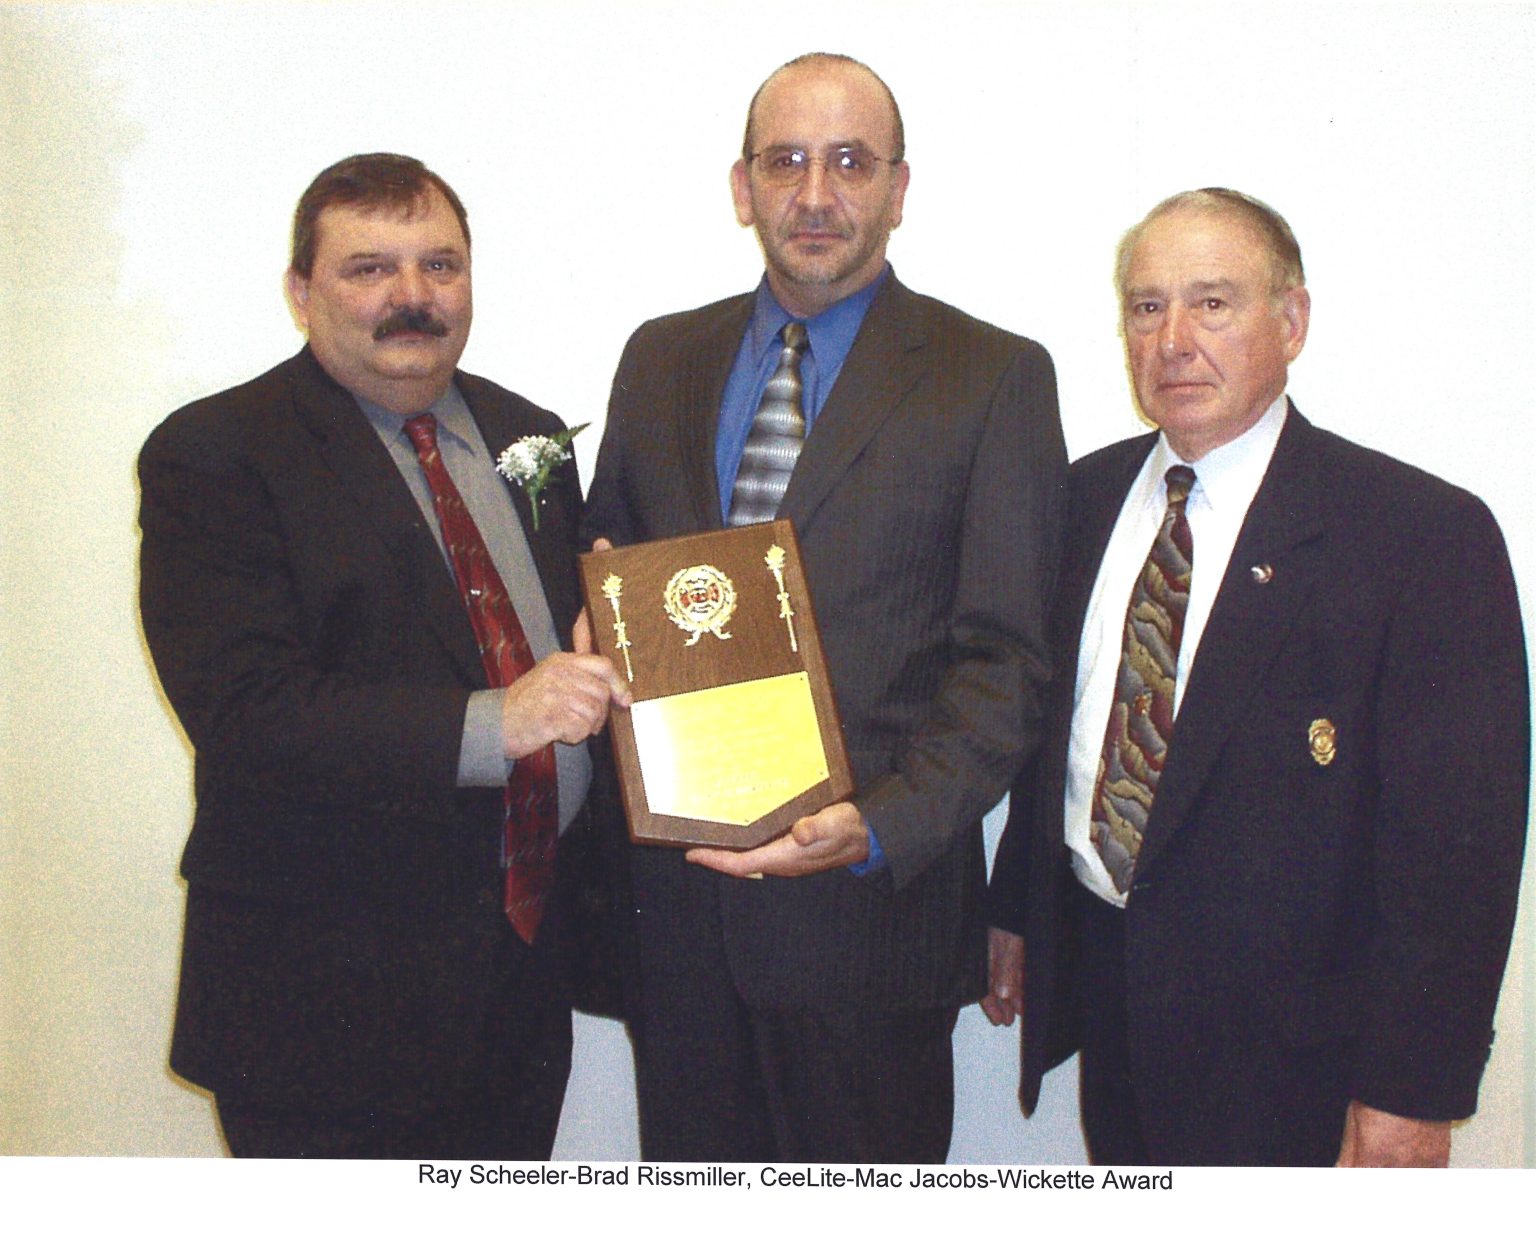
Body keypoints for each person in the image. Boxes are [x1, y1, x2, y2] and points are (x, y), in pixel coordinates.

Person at [584, 52, 1066, 1163]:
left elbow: (1009, 663)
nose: (815, 194)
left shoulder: (992, 376)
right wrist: (595, 627)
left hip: (869, 936)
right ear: (741, 186)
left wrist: (881, 826)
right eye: (785, 161)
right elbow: (611, 561)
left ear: (901, 188)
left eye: (850, 162)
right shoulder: (660, 357)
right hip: (682, 927)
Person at [984, 188, 1529, 1167]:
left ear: (1293, 321)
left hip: (1298, 1060)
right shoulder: (1081, 499)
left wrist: (1412, 1091)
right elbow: (1063, 729)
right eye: (1148, 306)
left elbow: (1458, 858)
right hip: (1114, 1009)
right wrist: (1019, 911)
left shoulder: (1419, 537)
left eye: (1213, 303)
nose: (1174, 340)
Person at [138, 152, 631, 1158]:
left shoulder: (527, 436)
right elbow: (243, 714)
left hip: (520, 977)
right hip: (325, 1003)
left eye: (439, 265)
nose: (412, 296)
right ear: (299, 292)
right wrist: (506, 721)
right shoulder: (216, 453)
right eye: (369, 268)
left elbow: (545, 630)